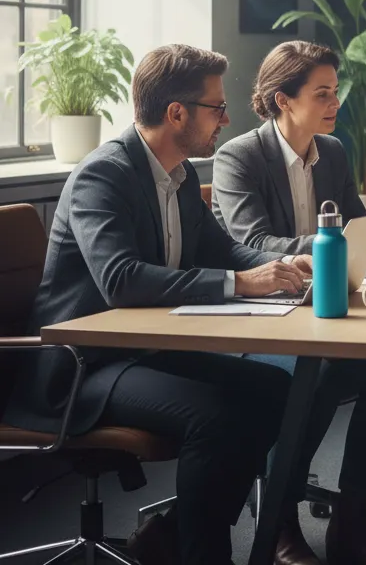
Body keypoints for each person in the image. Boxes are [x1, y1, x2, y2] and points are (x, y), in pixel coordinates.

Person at [5, 45, 309, 565]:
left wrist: (280, 271)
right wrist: (242, 282)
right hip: (81, 365)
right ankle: (201, 555)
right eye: (217, 107)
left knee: (274, 387)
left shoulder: (182, 175)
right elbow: (121, 281)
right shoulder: (103, 175)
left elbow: (223, 251)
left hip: (140, 352)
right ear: (177, 114)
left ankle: (170, 535)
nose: (227, 118)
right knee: (216, 416)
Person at [213, 41, 366, 565]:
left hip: (322, 308)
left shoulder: (331, 151)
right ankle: (281, 522)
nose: (335, 103)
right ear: (281, 100)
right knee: (305, 379)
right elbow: (251, 243)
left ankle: (352, 517)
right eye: (322, 93)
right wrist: (332, 244)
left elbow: (363, 235)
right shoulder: (238, 156)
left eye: (336, 91)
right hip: (262, 314)